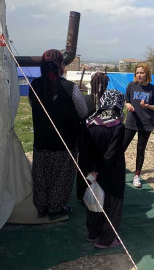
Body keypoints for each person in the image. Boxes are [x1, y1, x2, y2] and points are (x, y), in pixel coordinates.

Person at [29, 49, 88, 220]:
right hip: (66, 140)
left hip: (42, 139)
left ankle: (41, 208)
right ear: (61, 65)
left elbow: (34, 107)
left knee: (41, 175)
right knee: (61, 177)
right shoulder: (71, 87)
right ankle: (56, 209)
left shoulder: (35, 85)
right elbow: (83, 112)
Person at [84, 89, 126, 249]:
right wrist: (101, 169)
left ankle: (92, 233)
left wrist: (91, 170)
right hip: (112, 172)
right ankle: (106, 239)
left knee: (94, 201)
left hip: (92, 171)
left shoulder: (91, 121)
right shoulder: (117, 125)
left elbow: (84, 149)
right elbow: (112, 153)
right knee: (112, 204)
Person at [123, 63, 154, 188]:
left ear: (147, 74)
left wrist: (147, 106)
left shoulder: (153, 89)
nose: (139, 75)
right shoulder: (131, 85)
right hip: (131, 121)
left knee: (140, 149)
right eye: (137, 73)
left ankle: (137, 176)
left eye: (141, 72)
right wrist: (127, 105)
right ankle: (115, 171)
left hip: (146, 123)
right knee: (121, 147)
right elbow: (126, 100)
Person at [77, 72, 110, 200]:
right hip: (102, 139)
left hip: (86, 138)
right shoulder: (108, 101)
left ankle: (81, 194)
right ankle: (99, 193)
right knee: (100, 166)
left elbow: (79, 116)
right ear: (106, 85)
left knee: (84, 165)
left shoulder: (85, 99)